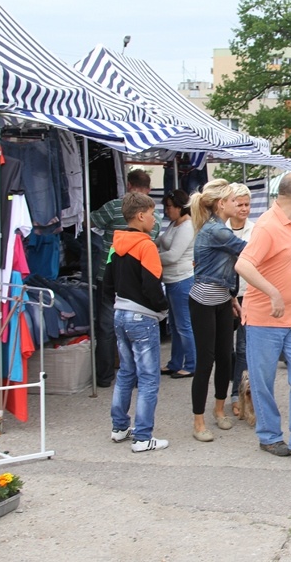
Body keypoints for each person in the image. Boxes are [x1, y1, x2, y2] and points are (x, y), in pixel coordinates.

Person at [235, 173, 291, 460]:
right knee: (263, 381)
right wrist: (273, 292)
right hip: (265, 319)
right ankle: (269, 436)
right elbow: (244, 265)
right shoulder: (267, 226)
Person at [105, 192, 170, 453]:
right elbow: (152, 286)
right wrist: (163, 309)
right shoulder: (147, 245)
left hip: (120, 313)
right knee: (149, 379)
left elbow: (107, 284)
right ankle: (143, 437)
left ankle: (119, 427)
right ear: (141, 215)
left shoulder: (115, 244)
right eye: (153, 214)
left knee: (125, 374)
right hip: (142, 318)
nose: (154, 219)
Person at [188, 179, 249, 443]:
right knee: (206, 361)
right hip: (203, 301)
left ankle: (219, 410)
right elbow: (249, 252)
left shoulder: (219, 228)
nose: (238, 205)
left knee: (226, 357)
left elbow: (229, 269)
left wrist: (232, 297)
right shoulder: (215, 231)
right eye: (235, 201)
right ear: (222, 204)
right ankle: (198, 421)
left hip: (223, 300)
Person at [91, 169, 159, 388]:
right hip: (137, 279)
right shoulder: (151, 219)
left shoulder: (112, 207)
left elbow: (89, 222)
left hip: (107, 273)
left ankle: (104, 376)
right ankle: (139, 375)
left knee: (106, 326)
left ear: (129, 184)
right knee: (138, 329)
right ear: (148, 188)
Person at [157, 189, 196, 379]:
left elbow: (173, 256)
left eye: (170, 207)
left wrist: (150, 257)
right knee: (175, 325)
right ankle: (175, 362)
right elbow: (160, 241)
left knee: (184, 325)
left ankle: (191, 364)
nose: (167, 210)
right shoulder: (174, 224)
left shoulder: (187, 227)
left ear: (180, 207)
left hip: (182, 280)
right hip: (172, 280)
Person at [225, 183, 254, 418]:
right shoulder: (219, 229)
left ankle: (237, 393)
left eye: (247, 204)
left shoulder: (255, 230)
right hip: (223, 295)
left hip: (248, 294)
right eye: (240, 204)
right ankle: (227, 390)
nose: (244, 208)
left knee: (243, 347)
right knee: (224, 349)